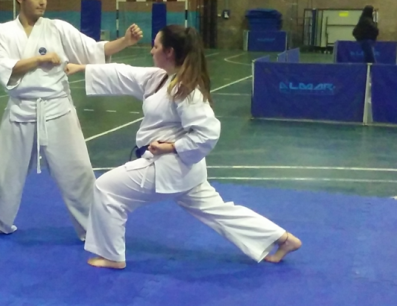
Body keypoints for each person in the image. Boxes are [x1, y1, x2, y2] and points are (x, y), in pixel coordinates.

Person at [64, 25, 301, 269]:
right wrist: (82, 68)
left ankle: (112, 256)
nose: (151, 51)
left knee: (106, 188)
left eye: (155, 46)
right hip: (186, 172)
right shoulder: (161, 78)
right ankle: (283, 239)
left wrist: (172, 147)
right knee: (217, 211)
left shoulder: (186, 90)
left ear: (168, 52)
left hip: (167, 167)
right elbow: (125, 73)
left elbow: (208, 132)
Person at [0, 0, 143, 240]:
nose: (42, 1)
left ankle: (93, 228)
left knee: (78, 171)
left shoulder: (57, 28)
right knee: (7, 172)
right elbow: (4, 69)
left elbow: (94, 50)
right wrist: (40, 59)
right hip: (21, 110)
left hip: (57, 109)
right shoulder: (2, 32)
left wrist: (125, 41)